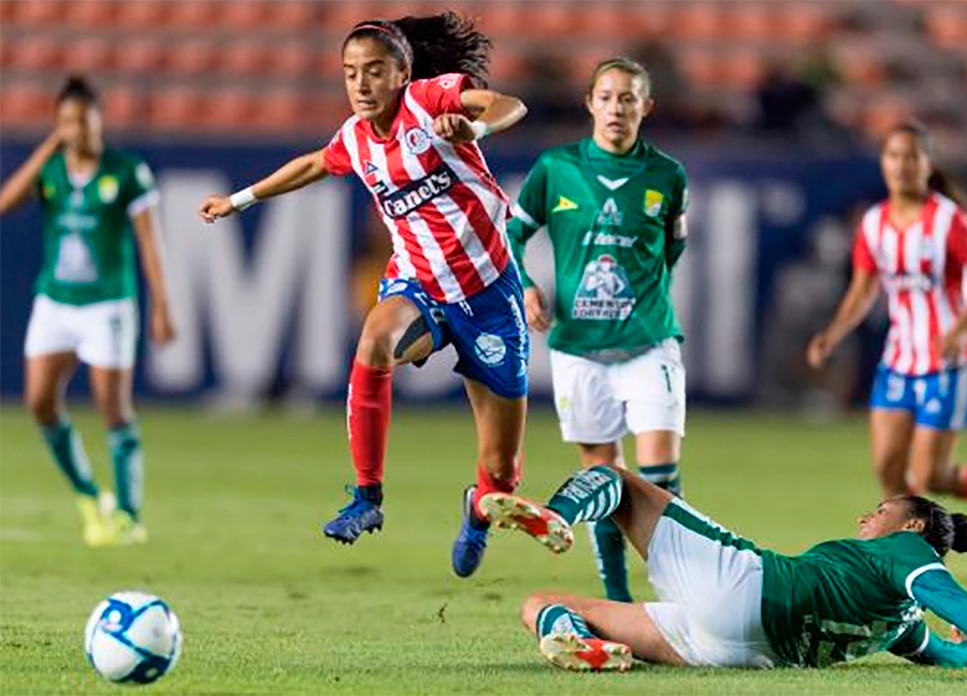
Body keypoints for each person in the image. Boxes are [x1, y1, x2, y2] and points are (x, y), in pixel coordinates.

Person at [197, 13, 529, 577]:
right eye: (350, 73)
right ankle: (366, 497)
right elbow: (311, 164)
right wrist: (240, 200)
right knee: (375, 336)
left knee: (501, 472)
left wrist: (476, 130)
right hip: (420, 284)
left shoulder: (432, 99)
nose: (361, 84)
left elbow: (508, 105)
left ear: (401, 74)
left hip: (489, 292)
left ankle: (477, 508)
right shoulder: (355, 139)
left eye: (374, 71)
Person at [478, 466, 967, 678]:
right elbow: (948, 652)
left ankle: (554, 513)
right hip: (729, 650)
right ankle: (579, 640)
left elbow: (958, 601)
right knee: (538, 602)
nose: (867, 516)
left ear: (911, 526)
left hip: (746, 587)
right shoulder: (898, 626)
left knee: (618, 481)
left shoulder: (911, 556)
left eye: (881, 511)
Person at [805, 121, 967, 551]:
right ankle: (903, 560)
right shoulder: (874, 223)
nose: (902, 165)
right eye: (894, 156)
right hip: (899, 360)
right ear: (884, 163)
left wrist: (959, 327)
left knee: (930, 476)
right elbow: (863, 288)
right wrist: (833, 333)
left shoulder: (948, 221)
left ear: (927, 164)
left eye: (912, 156)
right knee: (889, 470)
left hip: (950, 363)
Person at [507, 56, 690, 603]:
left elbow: (671, 248)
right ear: (590, 103)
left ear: (646, 107)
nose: (617, 108)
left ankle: (677, 593)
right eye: (607, 97)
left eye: (628, 98)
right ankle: (618, 600)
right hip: (579, 350)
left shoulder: (667, 175)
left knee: (659, 479)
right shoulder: (556, 168)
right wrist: (526, 286)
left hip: (649, 343)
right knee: (602, 479)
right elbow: (512, 234)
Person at [0, 76, 175, 546]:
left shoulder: (126, 170)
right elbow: (5, 203)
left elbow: (148, 244)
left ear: (99, 121)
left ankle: (128, 514)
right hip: (55, 301)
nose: (78, 129)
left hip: (108, 305)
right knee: (39, 402)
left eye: (84, 119)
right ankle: (86, 493)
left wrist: (161, 305)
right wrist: (46, 150)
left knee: (112, 410)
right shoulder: (53, 170)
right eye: (67, 122)